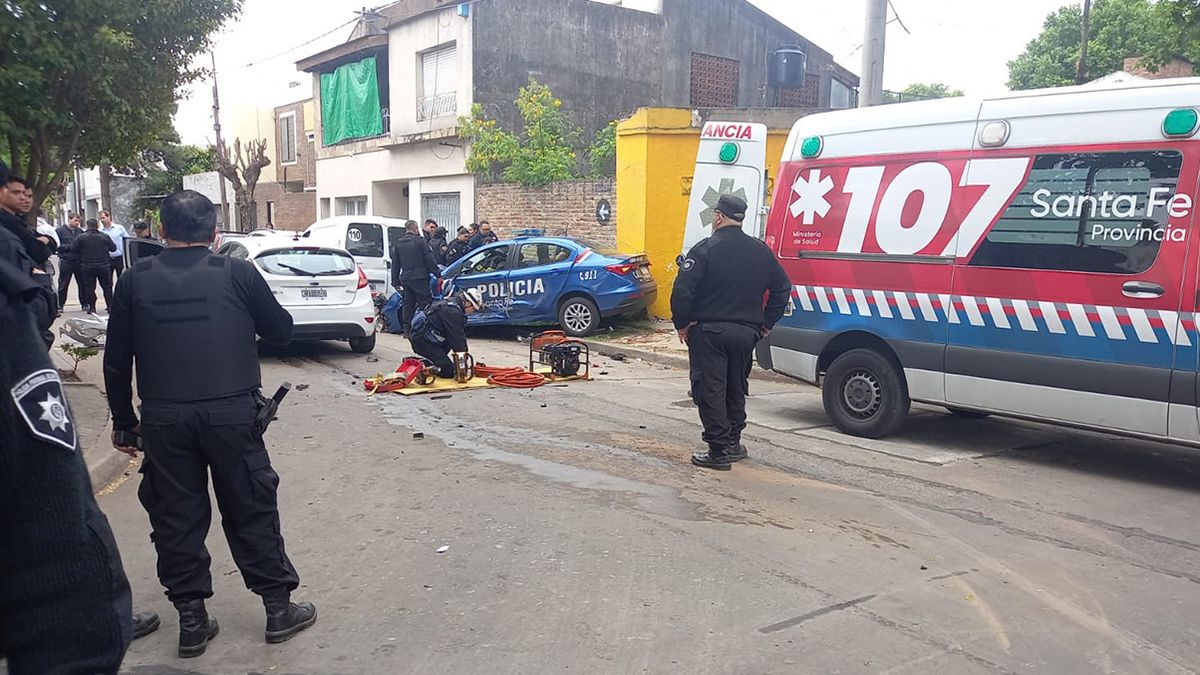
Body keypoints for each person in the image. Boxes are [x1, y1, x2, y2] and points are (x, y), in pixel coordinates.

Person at [103, 190, 315, 659]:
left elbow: (116, 362)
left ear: (161, 232)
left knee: (175, 518)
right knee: (251, 506)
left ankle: (192, 624)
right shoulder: (237, 272)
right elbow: (281, 329)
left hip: (163, 420)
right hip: (232, 416)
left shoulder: (135, 280)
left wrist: (123, 423)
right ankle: (278, 611)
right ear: (215, 233)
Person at [670, 194, 791, 471]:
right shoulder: (761, 252)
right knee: (735, 388)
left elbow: (682, 291)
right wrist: (767, 323)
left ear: (718, 217)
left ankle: (718, 450)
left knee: (710, 389)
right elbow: (783, 287)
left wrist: (682, 323)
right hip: (746, 333)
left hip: (709, 332)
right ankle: (734, 442)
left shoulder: (705, 249)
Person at [409, 288, 484, 377]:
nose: (472, 313)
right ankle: (422, 367)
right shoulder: (453, 312)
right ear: (468, 303)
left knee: (445, 361)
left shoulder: (452, 304)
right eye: (473, 309)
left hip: (428, 337)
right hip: (422, 341)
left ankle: (431, 363)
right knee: (448, 371)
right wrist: (462, 360)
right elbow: (457, 339)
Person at [390, 219, 439, 334]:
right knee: (425, 303)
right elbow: (429, 259)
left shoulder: (398, 243)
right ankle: (425, 327)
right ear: (416, 229)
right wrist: (437, 273)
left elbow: (395, 264)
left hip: (406, 278)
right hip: (421, 278)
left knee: (408, 303)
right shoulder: (420, 242)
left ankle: (407, 329)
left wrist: (395, 281)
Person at [73, 218, 117, 314]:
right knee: (107, 287)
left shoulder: (81, 237)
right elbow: (113, 248)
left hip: (87, 266)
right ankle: (110, 306)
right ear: (97, 226)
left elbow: (74, 249)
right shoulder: (105, 237)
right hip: (104, 265)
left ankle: (92, 307)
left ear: (87, 226)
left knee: (89, 287)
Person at [56, 212, 86, 310]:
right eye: (75, 220)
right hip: (66, 260)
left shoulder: (80, 231)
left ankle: (84, 304)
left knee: (82, 283)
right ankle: (60, 305)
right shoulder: (60, 231)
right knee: (63, 284)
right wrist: (70, 247)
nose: (77, 223)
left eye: (78, 221)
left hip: (78, 261)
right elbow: (57, 245)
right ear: (69, 219)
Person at [99, 210, 128, 282]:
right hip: (107, 259)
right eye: (100, 219)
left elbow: (127, 240)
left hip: (119, 258)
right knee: (108, 281)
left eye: (103, 218)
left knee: (121, 279)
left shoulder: (119, 228)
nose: (102, 220)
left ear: (109, 217)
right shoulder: (100, 231)